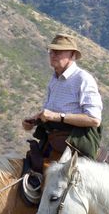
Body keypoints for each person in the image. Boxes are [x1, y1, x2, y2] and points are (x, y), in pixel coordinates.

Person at [23, 33, 103, 195]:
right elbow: (51, 111)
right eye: (51, 51)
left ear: (73, 55)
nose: (53, 55)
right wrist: (34, 120)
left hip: (74, 142)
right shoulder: (54, 80)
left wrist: (58, 117)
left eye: (58, 52)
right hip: (53, 140)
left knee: (58, 189)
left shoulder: (83, 79)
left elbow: (94, 119)